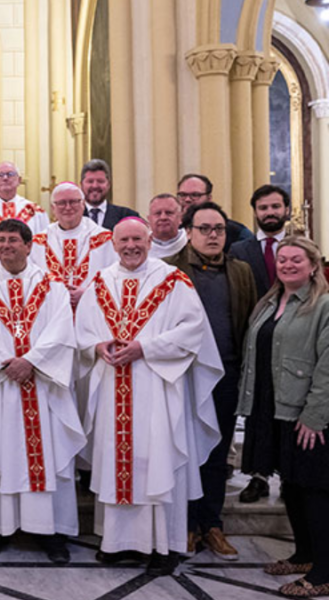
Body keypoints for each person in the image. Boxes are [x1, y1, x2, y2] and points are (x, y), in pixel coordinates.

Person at [75, 217, 222, 577]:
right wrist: (97, 346)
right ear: (113, 243)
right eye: (124, 240)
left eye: (137, 239)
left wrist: (146, 348)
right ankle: (115, 543)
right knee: (116, 462)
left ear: (150, 239)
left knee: (156, 461)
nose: (131, 246)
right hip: (113, 386)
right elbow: (81, 331)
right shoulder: (100, 281)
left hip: (156, 386)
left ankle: (164, 545)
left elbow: (192, 330)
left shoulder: (173, 281)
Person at [0, 219, 85, 563]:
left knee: (49, 454)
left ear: (29, 245)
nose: (6, 246)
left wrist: (31, 361)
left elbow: (61, 331)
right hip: (2, 385)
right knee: (2, 453)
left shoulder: (52, 287)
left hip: (43, 386)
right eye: (0, 240)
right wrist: (7, 363)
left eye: (13, 240)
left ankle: (52, 532)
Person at [236, 236, 329, 597]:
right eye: (283, 260)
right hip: (273, 407)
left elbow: (327, 366)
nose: (288, 265)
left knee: (314, 489)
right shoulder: (270, 301)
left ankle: (322, 571)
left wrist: (316, 416)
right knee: (290, 485)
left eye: (296, 260)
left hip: (305, 413)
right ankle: (303, 555)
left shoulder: (322, 305)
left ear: (313, 265)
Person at [164, 201, 257, 560]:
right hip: (182, 377)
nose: (213, 235)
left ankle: (212, 524)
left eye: (219, 228)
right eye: (204, 229)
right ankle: (186, 525)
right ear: (188, 233)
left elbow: (249, 318)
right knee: (184, 450)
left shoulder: (241, 272)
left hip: (226, 375)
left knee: (217, 453)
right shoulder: (170, 271)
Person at [231, 184, 293, 503]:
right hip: (254, 342)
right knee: (257, 413)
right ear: (254, 212)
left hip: (294, 345)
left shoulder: (300, 247)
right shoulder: (241, 251)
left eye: (275, 207)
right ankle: (258, 476)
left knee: (289, 410)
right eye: (263, 208)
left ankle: (291, 476)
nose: (269, 213)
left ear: (287, 210)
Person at [31, 182, 116, 310]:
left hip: (92, 311)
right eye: (61, 203)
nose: (68, 207)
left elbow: (115, 278)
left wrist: (88, 294)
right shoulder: (38, 242)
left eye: (74, 202)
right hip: (52, 312)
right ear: (53, 208)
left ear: (83, 205)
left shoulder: (105, 239)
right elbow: (31, 280)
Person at [177, 174, 253, 253]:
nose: (187, 199)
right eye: (182, 195)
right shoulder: (171, 230)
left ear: (209, 198)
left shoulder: (236, 232)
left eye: (195, 195)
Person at [0, 162, 49, 234]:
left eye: (10, 174)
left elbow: (44, 240)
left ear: (19, 180)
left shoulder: (35, 211)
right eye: (0, 175)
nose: (5, 178)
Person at [81, 159, 139, 230]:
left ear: (108, 185)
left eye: (100, 181)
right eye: (90, 181)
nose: (95, 186)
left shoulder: (127, 216)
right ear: (81, 185)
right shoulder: (71, 217)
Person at [147, 194, 187, 260]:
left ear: (180, 218)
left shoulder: (192, 244)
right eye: (158, 213)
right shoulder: (140, 247)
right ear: (149, 219)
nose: (163, 217)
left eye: (169, 213)